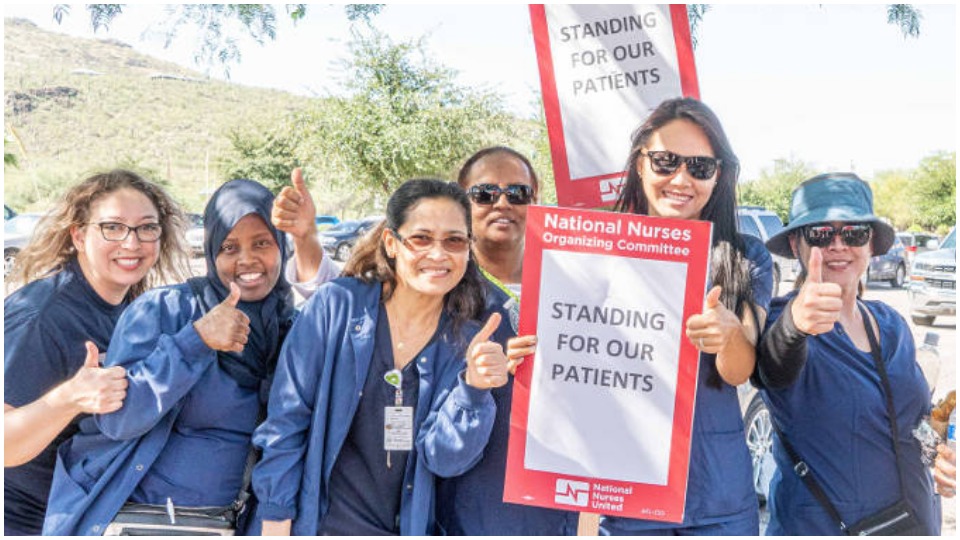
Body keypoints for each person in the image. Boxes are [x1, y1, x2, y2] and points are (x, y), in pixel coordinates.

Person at [42, 176, 326, 535]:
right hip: (136, 518)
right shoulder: (165, 311)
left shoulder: (293, 330)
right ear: (210, 252)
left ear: (280, 247)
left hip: (227, 523)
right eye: (229, 247)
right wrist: (195, 340)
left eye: (262, 243)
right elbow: (119, 420)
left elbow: (290, 438)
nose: (247, 259)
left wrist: (308, 237)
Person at [251, 178, 508, 536]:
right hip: (317, 526)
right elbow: (287, 422)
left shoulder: (466, 341)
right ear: (391, 243)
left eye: (454, 240)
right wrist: (275, 520)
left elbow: (445, 459)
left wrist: (474, 391)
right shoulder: (337, 307)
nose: (438, 254)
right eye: (421, 238)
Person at [601, 97, 774, 535]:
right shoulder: (599, 250)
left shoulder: (746, 257)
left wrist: (731, 334)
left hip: (718, 497)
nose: (681, 179)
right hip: (625, 494)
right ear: (640, 164)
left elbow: (740, 372)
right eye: (665, 161)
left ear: (719, 175)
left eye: (699, 167)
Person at [755, 172, 945, 535]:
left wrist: (940, 455)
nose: (838, 245)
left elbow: (914, 420)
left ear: (871, 244)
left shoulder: (891, 325)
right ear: (796, 245)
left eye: (854, 232)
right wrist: (796, 325)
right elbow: (771, 367)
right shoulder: (782, 320)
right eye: (821, 234)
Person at [4, 169, 189, 535]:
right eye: (113, 227)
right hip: (27, 522)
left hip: (83, 514)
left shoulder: (131, 307)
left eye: (146, 227)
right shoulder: (42, 317)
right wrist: (70, 397)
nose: (132, 243)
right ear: (79, 234)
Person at [435, 146, 576, 535]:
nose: (502, 203)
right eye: (484, 194)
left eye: (517, 194)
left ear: (535, 201)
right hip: (473, 503)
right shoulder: (438, 288)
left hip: (556, 496)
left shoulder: (571, 285)